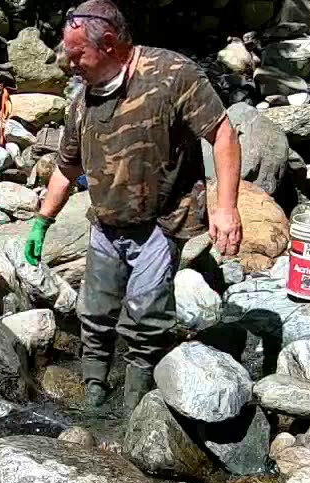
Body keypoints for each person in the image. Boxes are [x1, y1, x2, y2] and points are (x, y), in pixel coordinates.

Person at [23, 0, 243, 412]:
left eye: (76, 55)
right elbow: (66, 167)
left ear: (107, 43)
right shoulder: (82, 100)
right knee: (95, 311)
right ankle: (93, 391)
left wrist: (226, 207)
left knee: (145, 315)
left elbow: (224, 135)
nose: (68, 64)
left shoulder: (172, 75)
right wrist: (42, 222)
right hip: (107, 221)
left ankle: (136, 406)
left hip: (163, 220)